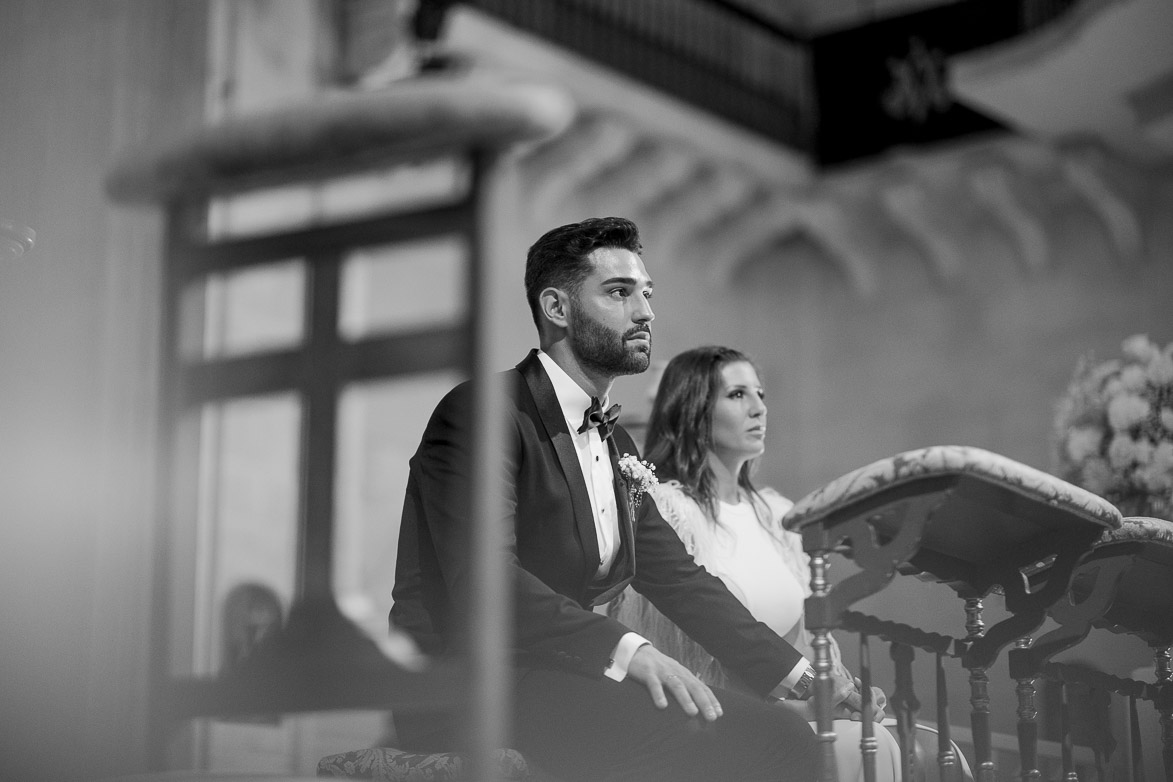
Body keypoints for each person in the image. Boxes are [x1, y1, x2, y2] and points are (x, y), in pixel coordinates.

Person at [391, 218, 821, 782]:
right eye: (619, 292)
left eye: (646, 293)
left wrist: (805, 679)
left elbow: (680, 579)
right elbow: (484, 580)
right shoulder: (485, 411)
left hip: (561, 675)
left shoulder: (615, 441)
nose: (645, 312)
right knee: (770, 742)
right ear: (557, 308)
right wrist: (630, 650)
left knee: (784, 727)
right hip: (470, 685)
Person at [609, 345, 902, 782]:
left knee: (875, 738)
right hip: (715, 718)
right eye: (737, 395)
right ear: (691, 408)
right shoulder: (666, 512)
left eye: (761, 395)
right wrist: (798, 708)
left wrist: (844, 693)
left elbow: (808, 640)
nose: (759, 409)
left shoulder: (779, 516)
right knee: (853, 747)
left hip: (794, 710)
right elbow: (676, 651)